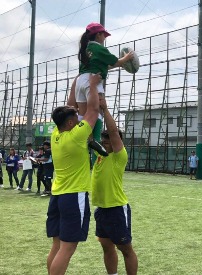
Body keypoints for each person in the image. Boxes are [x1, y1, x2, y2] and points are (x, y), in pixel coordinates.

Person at [45, 73, 101, 274]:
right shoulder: (77, 136)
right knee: (68, 248)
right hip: (73, 195)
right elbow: (94, 110)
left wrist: (75, 84)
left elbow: (70, 108)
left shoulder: (56, 134)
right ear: (70, 124)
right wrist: (92, 85)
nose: (78, 117)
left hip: (58, 195)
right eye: (75, 118)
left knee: (57, 246)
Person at [91, 97, 138, 275]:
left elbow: (113, 133)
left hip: (116, 208)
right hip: (101, 209)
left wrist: (105, 110)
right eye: (102, 142)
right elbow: (89, 138)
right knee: (106, 247)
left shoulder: (119, 156)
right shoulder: (101, 155)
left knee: (125, 249)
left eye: (107, 141)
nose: (104, 144)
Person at [74, 22, 134, 157]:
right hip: (93, 81)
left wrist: (119, 64)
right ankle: (95, 142)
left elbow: (104, 66)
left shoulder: (85, 49)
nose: (105, 38)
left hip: (80, 81)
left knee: (83, 116)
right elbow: (115, 62)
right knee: (98, 111)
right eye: (104, 35)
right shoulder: (99, 48)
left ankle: (87, 140)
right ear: (98, 35)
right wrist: (127, 58)